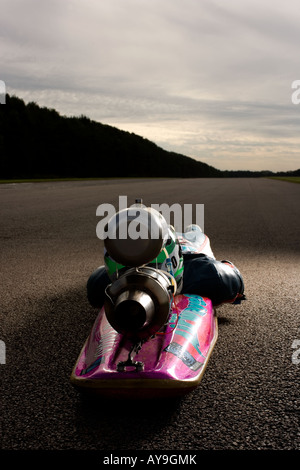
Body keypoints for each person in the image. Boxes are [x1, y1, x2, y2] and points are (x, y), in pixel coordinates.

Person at [87, 221, 245, 309]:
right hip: (162, 242)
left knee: (196, 232)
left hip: (188, 250)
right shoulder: (100, 284)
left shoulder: (212, 275)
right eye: (129, 269)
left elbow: (233, 276)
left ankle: (193, 229)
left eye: (149, 267)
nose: (140, 276)